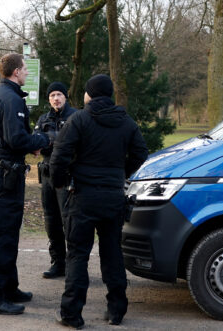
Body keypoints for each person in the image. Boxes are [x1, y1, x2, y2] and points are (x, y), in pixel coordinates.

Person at [49, 74, 149, 329]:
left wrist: (60, 182)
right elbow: (141, 153)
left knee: (78, 255)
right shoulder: (125, 122)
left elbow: (59, 156)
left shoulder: (79, 120)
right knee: (112, 252)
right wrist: (121, 172)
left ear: (90, 94)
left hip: (82, 195)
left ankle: (72, 313)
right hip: (113, 196)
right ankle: (116, 310)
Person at [0, 52, 51, 315]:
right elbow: (16, 139)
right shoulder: (11, 99)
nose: (27, 73)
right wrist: (43, 141)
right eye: (25, 69)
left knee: (6, 233)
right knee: (3, 236)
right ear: (16, 72)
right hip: (6, 174)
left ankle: (9, 287)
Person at [34, 81, 78, 279]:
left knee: (68, 220)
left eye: (59, 94)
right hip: (46, 176)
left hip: (67, 176)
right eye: (52, 96)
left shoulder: (75, 116)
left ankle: (73, 264)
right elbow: (34, 141)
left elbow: (72, 143)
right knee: (51, 221)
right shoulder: (44, 118)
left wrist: (49, 140)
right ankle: (57, 262)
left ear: (65, 97)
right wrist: (53, 140)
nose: (56, 99)